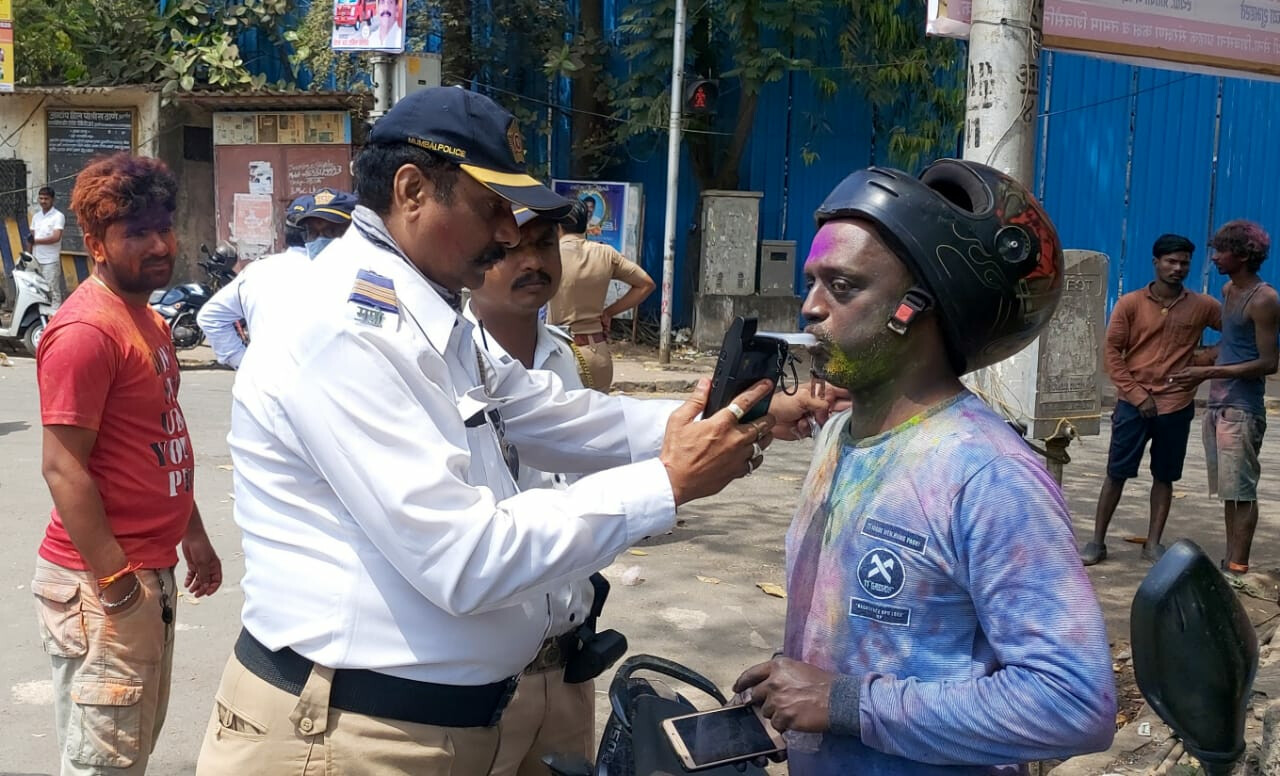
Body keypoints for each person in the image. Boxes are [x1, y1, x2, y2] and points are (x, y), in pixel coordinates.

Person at [196, 86, 823, 775]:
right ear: (411, 190)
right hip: (342, 736)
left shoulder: (432, 318)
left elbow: (556, 415)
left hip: (418, 728)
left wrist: (734, 412)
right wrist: (666, 483)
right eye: (491, 207)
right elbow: (464, 558)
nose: (505, 233)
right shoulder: (345, 330)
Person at [732, 161, 1116, 774]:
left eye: (843, 286)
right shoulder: (840, 435)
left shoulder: (988, 476)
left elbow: (1075, 703)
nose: (809, 308)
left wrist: (847, 703)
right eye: (811, 283)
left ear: (916, 309)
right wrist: (792, 695)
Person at [31, 153, 222, 775]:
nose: (159, 243)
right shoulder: (86, 331)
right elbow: (62, 467)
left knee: (128, 754)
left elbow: (156, 437)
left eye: (163, 226)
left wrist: (193, 534)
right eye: (136, 232)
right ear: (95, 244)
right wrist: (117, 585)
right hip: (103, 583)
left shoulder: (149, 320)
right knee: (103, 765)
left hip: (148, 570)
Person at [465, 206, 599, 774]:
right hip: (484, 679)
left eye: (545, 245)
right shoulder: (442, 361)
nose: (532, 262)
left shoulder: (567, 356)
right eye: (511, 247)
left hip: (568, 664)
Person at [1079, 234, 1221, 566]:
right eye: (1171, 261)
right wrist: (1136, 393)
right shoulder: (1130, 303)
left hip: (1176, 403)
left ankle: (1153, 543)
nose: (1178, 268)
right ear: (1156, 262)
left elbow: (1239, 330)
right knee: (1116, 472)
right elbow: (1112, 352)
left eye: (1184, 262)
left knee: (1165, 475)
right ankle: (1097, 541)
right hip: (1133, 401)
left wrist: (1207, 360)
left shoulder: (1203, 306)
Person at [1169, 219, 1280, 576]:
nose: (1214, 257)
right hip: (1218, 404)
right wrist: (1197, 359)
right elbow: (1230, 347)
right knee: (1229, 491)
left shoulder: (1264, 299)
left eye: (1221, 251)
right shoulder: (1229, 290)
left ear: (1244, 255)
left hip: (1242, 408)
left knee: (1242, 490)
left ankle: (1238, 566)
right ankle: (1231, 561)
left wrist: (1206, 372)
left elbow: (1268, 362)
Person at [197, 188, 356, 368]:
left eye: (332, 231)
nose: (321, 238)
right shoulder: (328, 273)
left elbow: (210, 317)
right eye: (314, 230)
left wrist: (242, 363)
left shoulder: (259, 270)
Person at [547, 200, 655, 391]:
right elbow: (646, 284)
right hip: (597, 355)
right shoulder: (605, 253)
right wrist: (608, 312)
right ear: (585, 224)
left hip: (560, 355)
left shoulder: (549, 255)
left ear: (558, 226)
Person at [27, 185, 67, 307]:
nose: (43, 201)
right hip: (36, 260)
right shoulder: (36, 216)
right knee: (37, 291)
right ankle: (41, 321)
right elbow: (30, 239)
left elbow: (56, 237)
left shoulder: (58, 216)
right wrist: (28, 257)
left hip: (50, 261)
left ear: (53, 200)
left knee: (52, 290)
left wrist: (36, 241)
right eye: (41, 198)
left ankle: (55, 319)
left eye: (46, 199)